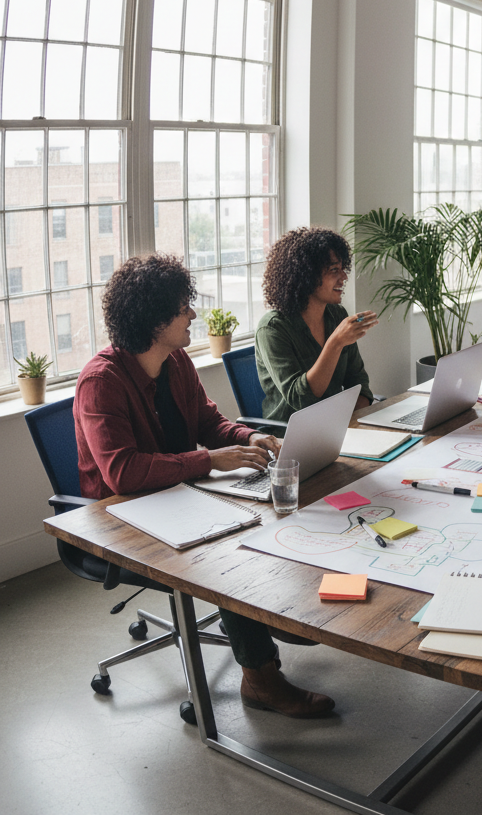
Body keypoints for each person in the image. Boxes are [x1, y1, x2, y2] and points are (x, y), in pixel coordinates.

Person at [74, 254, 335, 718]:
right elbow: (122, 473)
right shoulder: (101, 381)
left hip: (178, 498)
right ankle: (261, 679)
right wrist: (208, 460)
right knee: (224, 556)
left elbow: (209, 423)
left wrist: (248, 437)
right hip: (121, 518)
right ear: (155, 320)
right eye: (183, 308)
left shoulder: (175, 362)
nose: (193, 314)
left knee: (268, 513)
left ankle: (277, 610)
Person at [255, 227, 378, 422]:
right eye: (334, 270)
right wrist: (335, 343)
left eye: (343, 269)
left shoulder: (337, 315)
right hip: (288, 434)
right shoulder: (272, 328)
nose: (344, 277)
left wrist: (354, 422)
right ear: (307, 275)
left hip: (336, 425)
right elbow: (301, 399)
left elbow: (358, 382)